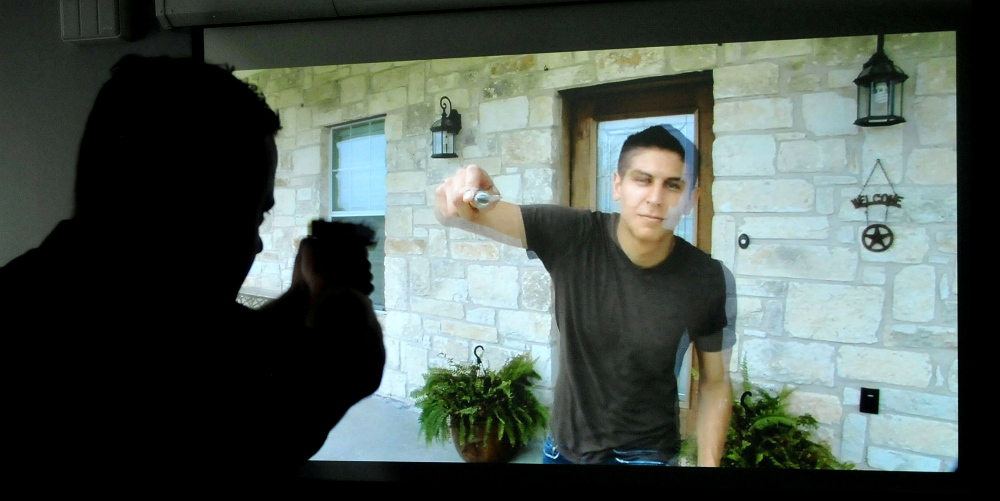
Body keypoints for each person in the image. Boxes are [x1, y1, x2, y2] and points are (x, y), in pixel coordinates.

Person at [0, 56, 385, 488]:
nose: (256, 243)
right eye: (252, 214)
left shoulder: (37, 294)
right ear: (190, 207)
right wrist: (340, 295)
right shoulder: (149, 363)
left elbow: (223, 343)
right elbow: (343, 366)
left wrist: (301, 294)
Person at [435, 125, 733, 466]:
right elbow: (452, 213)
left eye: (673, 185)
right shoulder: (573, 235)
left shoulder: (705, 277)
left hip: (647, 451)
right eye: (642, 180)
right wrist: (459, 197)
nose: (655, 197)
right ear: (617, 185)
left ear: (691, 199)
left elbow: (715, 382)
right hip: (565, 447)